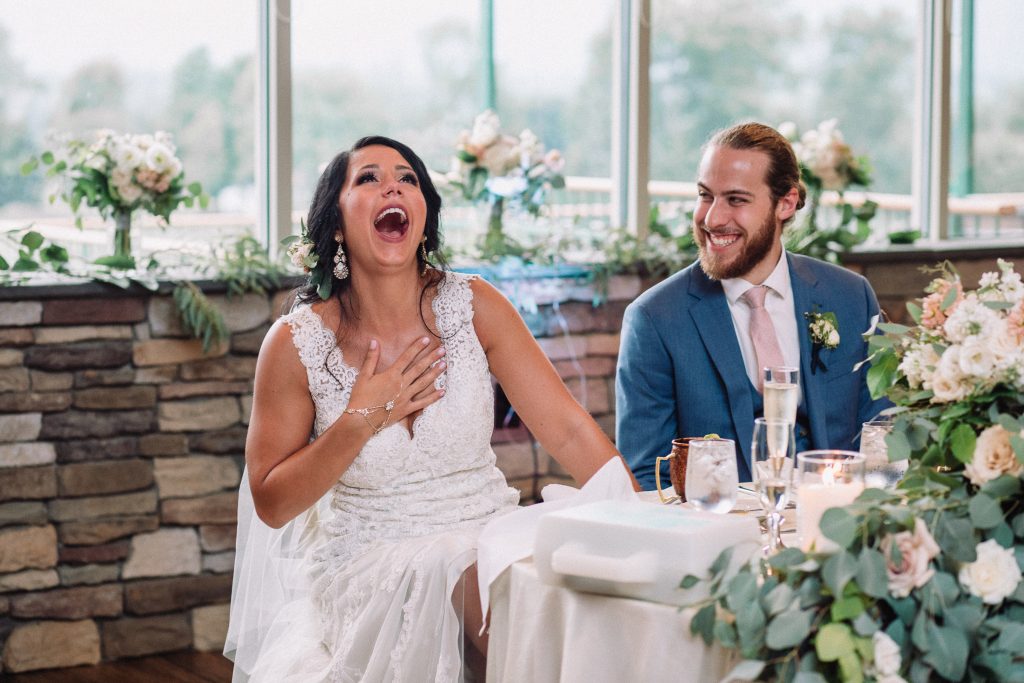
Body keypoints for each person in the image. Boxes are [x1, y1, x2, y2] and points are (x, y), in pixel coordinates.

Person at [225, 135, 627, 682]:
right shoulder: (295, 343)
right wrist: (362, 419)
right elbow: (271, 502)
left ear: (422, 215)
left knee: (561, 594)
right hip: (369, 566)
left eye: (407, 178)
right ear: (337, 225)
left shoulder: (476, 306)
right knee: (461, 576)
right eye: (367, 178)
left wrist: (636, 516)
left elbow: (570, 431)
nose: (392, 184)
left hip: (490, 536)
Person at [616, 122, 889, 490]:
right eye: (705, 195)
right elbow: (648, 477)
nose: (712, 219)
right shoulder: (655, 318)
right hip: (721, 533)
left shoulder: (851, 296)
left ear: (786, 203)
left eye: (736, 199)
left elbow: (883, 438)